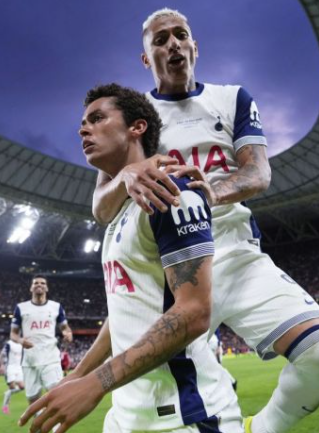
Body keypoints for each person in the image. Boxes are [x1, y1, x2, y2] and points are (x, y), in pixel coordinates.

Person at [90, 9, 319, 433]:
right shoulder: (136, 118)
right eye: (160, 40)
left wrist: (212, 191)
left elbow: (258, 173)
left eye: (181, 35)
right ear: (145, 58)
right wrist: (126, 175)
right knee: (150, 401)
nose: (173, 44)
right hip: (175, 275)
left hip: (238, 256)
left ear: (195, 47)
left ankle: (257, 429)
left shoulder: (232, 99)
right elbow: (102, 208)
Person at [19, 84, 242, 433]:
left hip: (183, 417)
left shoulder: (172, 193)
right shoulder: (121, 210)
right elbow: (126, 311)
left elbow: (195, 312)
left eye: (97, 118)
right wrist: (79, 375)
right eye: (82, 123)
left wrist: (96, 384)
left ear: (137, 127)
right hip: (125, 416)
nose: (83, 129)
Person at [10, 275, 73, 420]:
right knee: (33, 400)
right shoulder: (21, 308)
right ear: (31, 288)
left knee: (57, 393)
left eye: (43, 283)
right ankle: (40, 425)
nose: (39, 285)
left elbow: (65, 327)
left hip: (51, 357)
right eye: (36, 283)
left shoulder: (56, 307)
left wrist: (68, 333)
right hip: (30, 360)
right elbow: (13, 334)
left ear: (47, 288)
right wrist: (20, 340)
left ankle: (57, 426)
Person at [0, 339, 24, 414]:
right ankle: (5, 407)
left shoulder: (21, 345)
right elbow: (0, 356)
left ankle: (7, 393)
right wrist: (2, 365)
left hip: (18, 368)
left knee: (22, 387)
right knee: (12, 387)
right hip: (9, 368)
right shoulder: (8, 346)